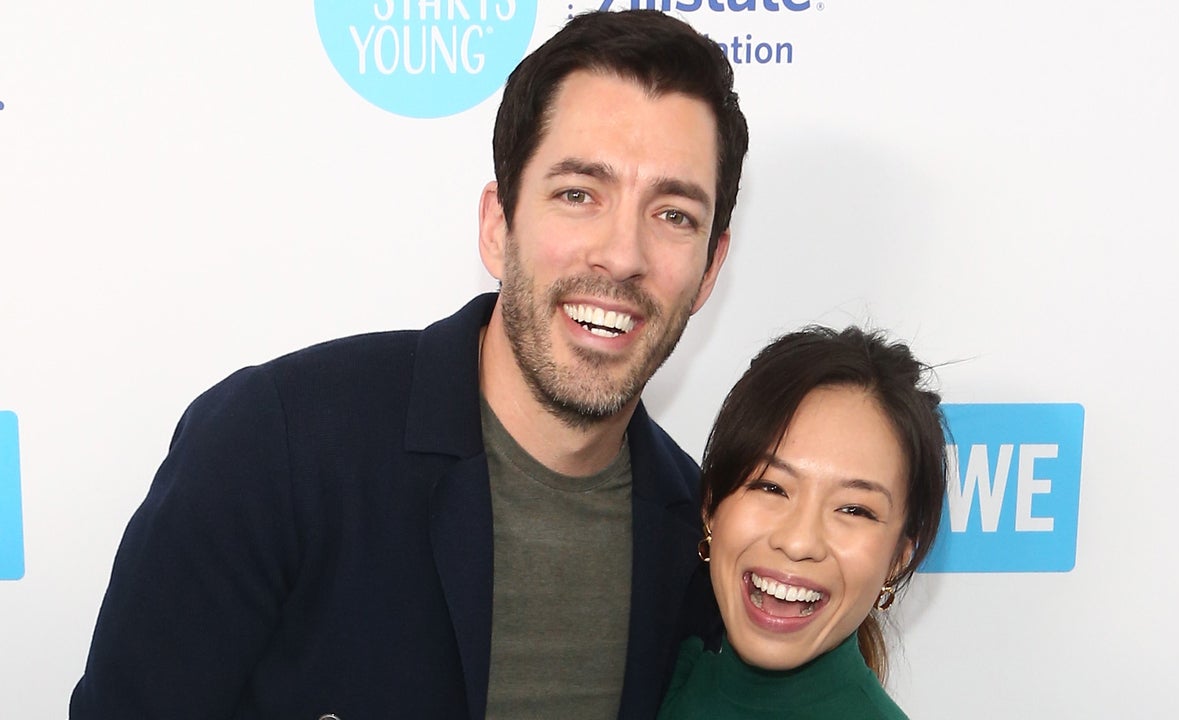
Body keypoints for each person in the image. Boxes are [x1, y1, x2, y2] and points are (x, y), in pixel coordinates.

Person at [70, 9, 748, 720]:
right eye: (578, 195)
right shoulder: (275, 445)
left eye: (674, 215)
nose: (622, 254)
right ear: (498, 226)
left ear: (709, 270)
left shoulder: (700, 544)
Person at [659, 326, 947, 719]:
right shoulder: (652, 683)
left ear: (897, 559)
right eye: (771, 487)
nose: (798, 542)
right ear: (711, 507)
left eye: (854, 510)